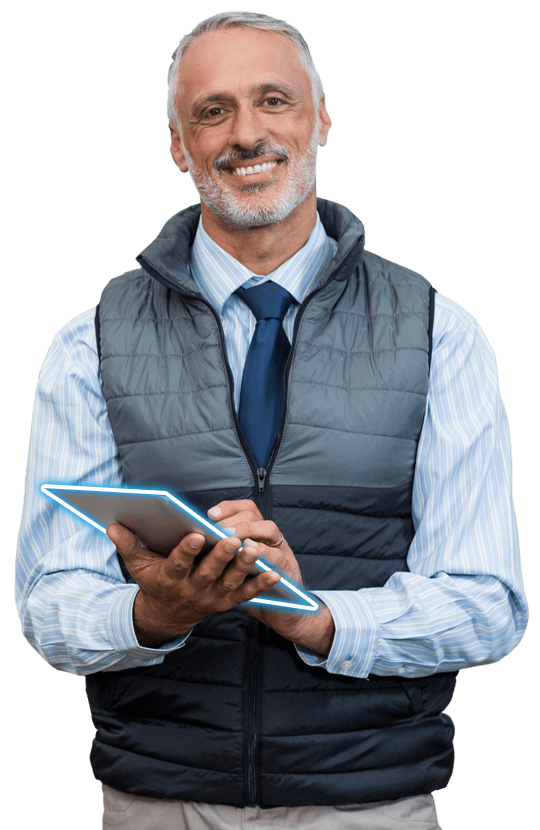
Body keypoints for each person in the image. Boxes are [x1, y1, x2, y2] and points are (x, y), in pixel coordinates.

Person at [15, 10, 528, 830]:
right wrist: (155, 617)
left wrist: (314, 617)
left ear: (321, 117)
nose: (246, 133)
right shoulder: (91, 342)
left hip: (371, 802)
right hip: (158, 803)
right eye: (211, 111)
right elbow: (49, 603)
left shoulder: (440, 332)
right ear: (179, 146)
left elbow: (486, 604)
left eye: (274, 100)